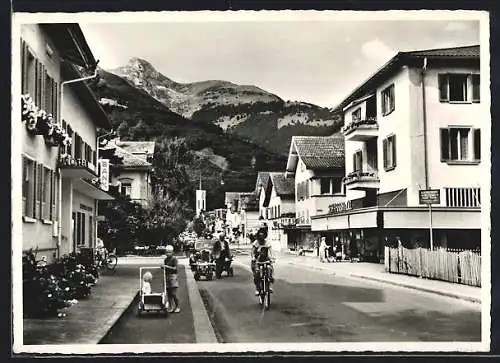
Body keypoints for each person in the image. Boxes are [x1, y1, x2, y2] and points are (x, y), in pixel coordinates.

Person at [250, 226, 274, 296]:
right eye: (260, 235)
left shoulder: (267, 243)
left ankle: (268, 286)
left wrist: (272, 257)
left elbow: (270, 250)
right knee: (257, 275)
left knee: (270, 269)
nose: (261, 237)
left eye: (263, 235)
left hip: (265, 259)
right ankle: (257, 289)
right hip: (257, 260)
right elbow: (252, 251)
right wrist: (253, 257)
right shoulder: (256, 243)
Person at [162, 245, 180, 313]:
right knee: (169, 293)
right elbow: (166, 269)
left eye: (169, 252)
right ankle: (171, 307)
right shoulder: (165, 260)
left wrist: (166, 266)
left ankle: (177, 306)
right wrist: (163, 267)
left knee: (173, 293)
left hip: (173, 277)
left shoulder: (174, 259)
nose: (168, 253)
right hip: (167, 276)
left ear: (172, 252)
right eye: (166, 252)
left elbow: (175, 268)